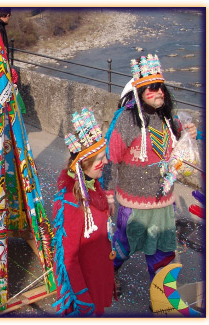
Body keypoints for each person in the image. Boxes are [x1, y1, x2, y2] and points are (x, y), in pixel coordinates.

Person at [103, 54, 197, 294]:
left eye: (160, 88)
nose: (158, 93)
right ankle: (107, 274)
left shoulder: (168, 119)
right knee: (122, 246)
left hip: (164, 202)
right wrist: (108, 195)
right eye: (151, 89)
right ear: (139, 92)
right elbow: (110, 159)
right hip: (133, 205)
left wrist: (192, 134)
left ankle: (161, 298)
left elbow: (182, 144)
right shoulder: (125, 121)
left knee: (163, 253)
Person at [52, 107, 115, 316]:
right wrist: (82, 298)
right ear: (83, 164)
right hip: (84, 296)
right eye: (100, 159)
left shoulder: (93, 186)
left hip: (96, 279)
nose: (105, 162)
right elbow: (67, 259)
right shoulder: (71, 203)